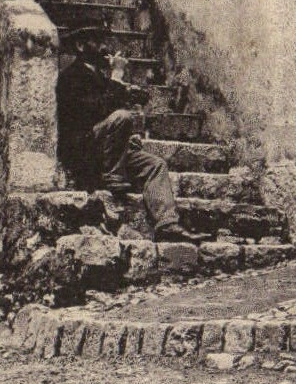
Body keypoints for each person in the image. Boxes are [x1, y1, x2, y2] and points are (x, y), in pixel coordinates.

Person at [56, 33, 197, 244]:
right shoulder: (71, 77)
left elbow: (118, 104)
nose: (105, 47)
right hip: (85, 151)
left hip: (107, 150)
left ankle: (167, 223)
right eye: (98, 41)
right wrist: (116, 75)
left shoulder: (99, 76)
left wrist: (126, 88)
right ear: (80, 45)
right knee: (122, 117)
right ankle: (112, 177)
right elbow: (100, 110)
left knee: (155, 165)